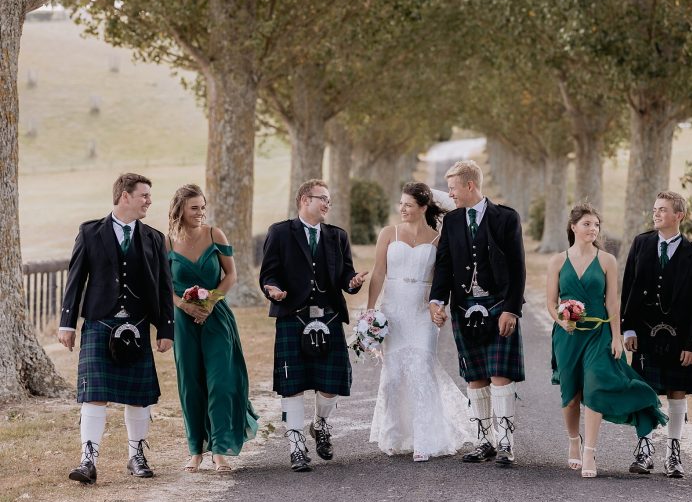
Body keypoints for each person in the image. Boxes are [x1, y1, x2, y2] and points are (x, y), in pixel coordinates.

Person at [58, 173, 174, 485]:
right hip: (99, 322)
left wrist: (166, 328)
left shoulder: (154, 237)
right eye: (144, 195)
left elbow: (165, 286)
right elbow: (76, 279)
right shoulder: (91, 231)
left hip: (136, 324)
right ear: (125, 196)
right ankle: (88, 460)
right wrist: (67, 323)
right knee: (94, 395)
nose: (149, 201)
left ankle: (136, 455)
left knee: (138, 396)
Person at [549, 204, 668, 478]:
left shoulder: (607, 261)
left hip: (598, 334)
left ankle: (590, 451)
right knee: (570, 397)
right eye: (587, 224)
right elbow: (550, 301)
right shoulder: (558, 261)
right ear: (573, 227)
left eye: (596, 225)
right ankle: (573, 442)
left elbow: (613, 302)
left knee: (595, 388)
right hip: (568, 336)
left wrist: (616, 336)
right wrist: (561, 319)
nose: (593, 229)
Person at [259, 179, 368, 472]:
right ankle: (295, 446)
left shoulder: (337, 236)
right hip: (293, 317)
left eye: (329, 200)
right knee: (292, 385)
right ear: (305, 200)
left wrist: (353, 281)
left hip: (329, 316)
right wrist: (273, 289)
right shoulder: (280, 233)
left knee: (331, 384)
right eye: (323, 199)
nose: (327, 204)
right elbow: (268, 274)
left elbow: (345, 274)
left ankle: (320, 424)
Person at [429, 160, 526, 466]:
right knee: (475, 376)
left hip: (498, 306)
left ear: (470, 185)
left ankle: (507, 444)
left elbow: (518, 266)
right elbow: (443, 264)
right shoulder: (453, 221)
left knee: (499, 374)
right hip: (464, 307)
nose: (450, 193)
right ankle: (485, 441)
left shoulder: (505, 218)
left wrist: (512, 308)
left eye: (453, 187)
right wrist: (437, 300)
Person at [367, 182, 472, 461]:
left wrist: (439, 306)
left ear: (423, 207)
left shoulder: (439, 239)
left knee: (422, 370)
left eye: (409, 205)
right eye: (400, 203)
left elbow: (443, 279)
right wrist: (370, 311)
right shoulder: (389, 233)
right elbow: (378, 273)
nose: (402, 209)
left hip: (422, 313)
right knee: (392, 377)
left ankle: (425, 440)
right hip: (393, 311)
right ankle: (394, 435)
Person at [166, 184, 259, 473]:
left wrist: (210, 303)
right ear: (180, 208)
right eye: (195, 208)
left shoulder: (214, 234)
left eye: (203, 207)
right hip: (183, 321)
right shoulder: (166, 242)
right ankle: (196, 450)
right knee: (190, 383)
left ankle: (220, 449)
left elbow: (231, 275)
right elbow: (161, 285)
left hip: (216, 318)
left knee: (220, 382)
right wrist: (184, 305)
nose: (200, 213)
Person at [621, 191, 692, 478]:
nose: (657, 213)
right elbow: (629, 287)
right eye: (655, 209)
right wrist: (628, 327)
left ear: (679, 215)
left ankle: (673, 452)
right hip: (646, 334)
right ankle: (644, 447)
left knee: (677, 391)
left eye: (663, 209)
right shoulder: (642, 243)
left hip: (680, 337)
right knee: (645, 391)